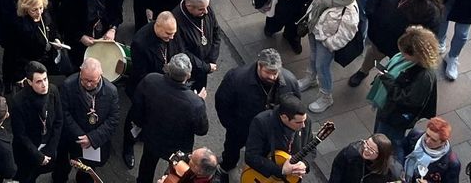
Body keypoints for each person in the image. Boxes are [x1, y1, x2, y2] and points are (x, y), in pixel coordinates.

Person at [216, 49, 301, 174]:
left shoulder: (289, 82)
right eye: (268, 72)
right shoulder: (236, 78)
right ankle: (226, 167)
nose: (272, 77)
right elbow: (222, 103)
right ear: (259, 65)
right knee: (231, 149)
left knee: (264, 158)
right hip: (241, 129)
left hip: (270, 132)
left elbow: (295, 106)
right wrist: (232, 127)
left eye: (275, 73)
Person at [128, 54, 209, 183]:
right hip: (178, 146)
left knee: (147, 166)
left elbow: (137, 108)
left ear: (168, 68)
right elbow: (202, 130)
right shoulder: (195, 103)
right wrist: (200, 101)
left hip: (152, 137)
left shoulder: (150, 80)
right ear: (188, 75)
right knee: (177, 172)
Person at [364, 25, 440, 144]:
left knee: (386, 142)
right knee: (378, 134)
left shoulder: (424, 76)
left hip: (395, 116)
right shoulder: (411, 61)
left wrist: (387, 81)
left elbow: (408, 100)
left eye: (404, 53)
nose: (401, 54)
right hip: (388, 107)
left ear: (416, 55)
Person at [55, 57, 119, 183]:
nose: (89, 84)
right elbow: (64, 113)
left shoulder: (111, 91)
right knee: (62, 167)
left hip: (94, 142)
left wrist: (92, 138)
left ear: (100, 75)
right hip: (72, 138)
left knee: (87, 172)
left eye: (92, 81)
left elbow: (113, 119)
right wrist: (80, 136)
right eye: (85, 80)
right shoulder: (68, 86)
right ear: (80, 72)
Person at [328, 136, 396, 183]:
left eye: (371, 150)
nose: (366, 149)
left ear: (381, 155)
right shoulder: (351, 153)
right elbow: (337, 167)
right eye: (366, 143)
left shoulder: (392, 171)